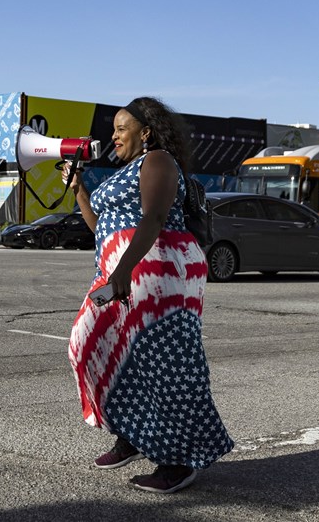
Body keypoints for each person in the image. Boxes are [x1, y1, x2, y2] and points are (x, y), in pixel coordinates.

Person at [64, 97, 233, 494]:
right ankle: (133, 433)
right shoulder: (126, 170)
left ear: (147, 133)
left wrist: (124, 269)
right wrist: (80, 193)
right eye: (115, 128)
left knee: (166, 364)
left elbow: (154, 217)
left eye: (122, 128)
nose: (114, 135)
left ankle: (179, 461)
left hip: (159, 271)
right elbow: (100, 226)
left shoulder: (157, 161)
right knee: (88, 345)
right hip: (121, 271)